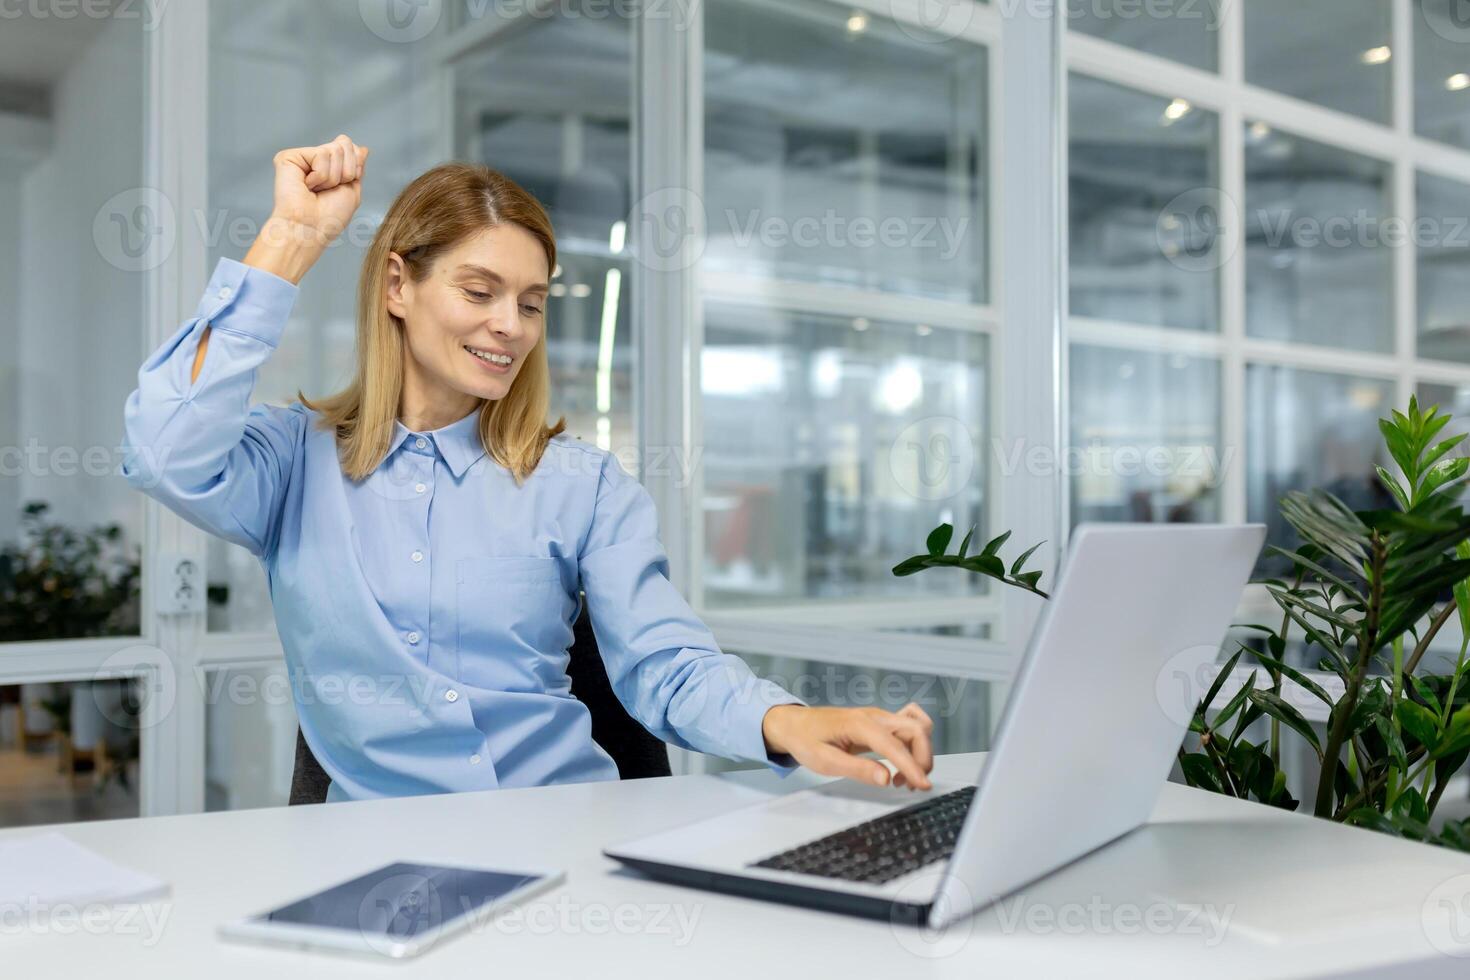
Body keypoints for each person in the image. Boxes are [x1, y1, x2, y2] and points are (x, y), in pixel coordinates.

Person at [121, 135, 935, 802]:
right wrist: (290, 241)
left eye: (532, 302)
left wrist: (789, 722)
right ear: (398, 285)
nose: (509, 326)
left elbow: (665, 664)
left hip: (563, 833)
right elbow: (163, 451)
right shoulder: (291, 464)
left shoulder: (582, 484)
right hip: (371, 861)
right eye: (479, 292)